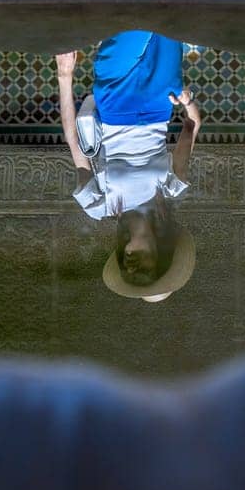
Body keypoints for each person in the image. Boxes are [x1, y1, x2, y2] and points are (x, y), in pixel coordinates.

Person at [56, 31, 201, 302]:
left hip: (115, 97)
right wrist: (188, 103)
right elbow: (192, 128)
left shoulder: (100, 206)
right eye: (144, 267)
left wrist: (65, 77)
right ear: (160, 253)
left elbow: (73, 142)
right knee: (170, 15)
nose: (132, 265)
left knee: (136, 18)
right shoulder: (170, 192)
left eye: (127, 270)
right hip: (159, 102)